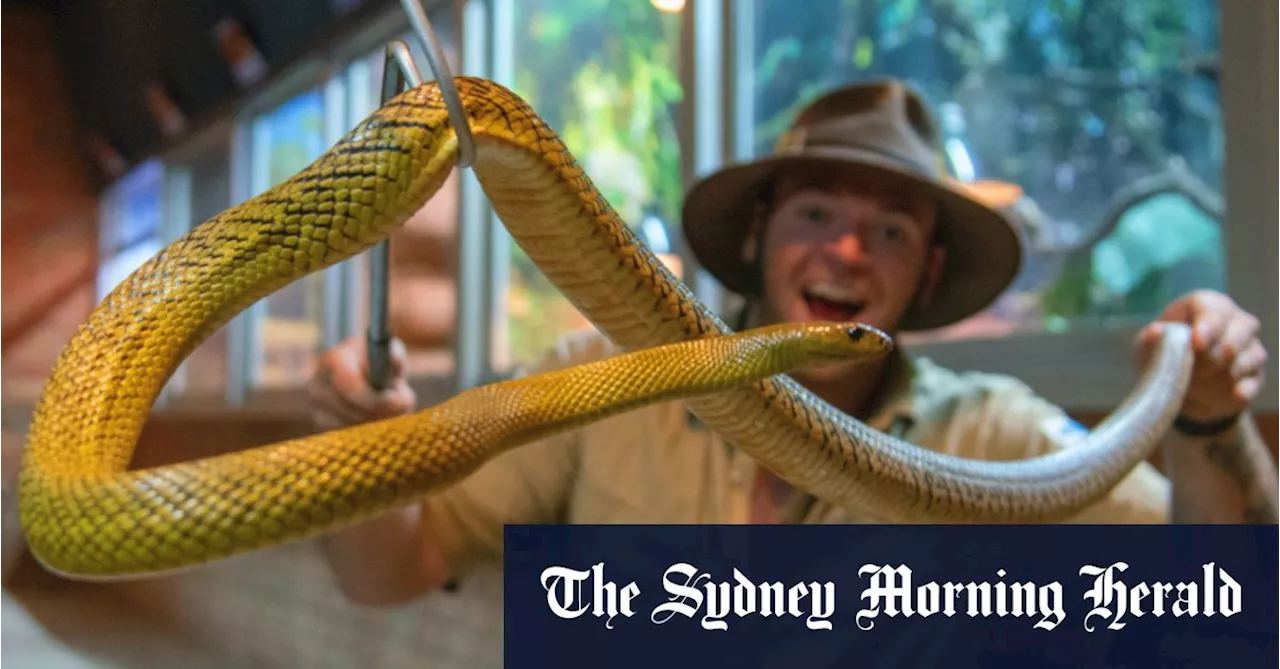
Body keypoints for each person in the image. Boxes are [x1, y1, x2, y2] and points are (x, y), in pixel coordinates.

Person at [310, 80, 1277, 607]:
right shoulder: (604, 381)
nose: (849, 251)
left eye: (891, 229)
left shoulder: (991, 436)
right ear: (761, 236)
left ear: (929, 273)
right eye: (818, 211)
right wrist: (362, 456)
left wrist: (1211, 420)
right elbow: (385, 574)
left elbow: (1223, 595)